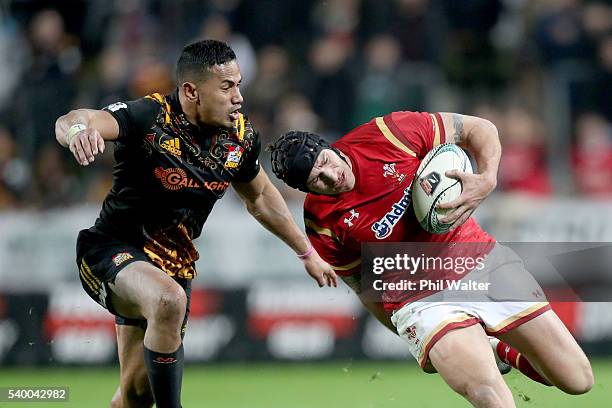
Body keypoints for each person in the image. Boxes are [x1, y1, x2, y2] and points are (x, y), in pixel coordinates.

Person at [55, 40, 337, 408]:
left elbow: (261, 198)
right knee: (167, 299)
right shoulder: (150, 117)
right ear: (190, 91)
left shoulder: (241, 137)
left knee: (135, 396)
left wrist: (306, 252)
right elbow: (78, 117)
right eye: (226, 87)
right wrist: (78, 131)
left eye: (238, 84)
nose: (238, 97)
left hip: (173, 263)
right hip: (111, 249)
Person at [267, 111, 593, 408]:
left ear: (329, 145)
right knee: (491, 398)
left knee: (577, 380)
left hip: (476, 258)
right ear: (306, 190)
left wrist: (487, 178)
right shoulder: (320, 221)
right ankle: (477, 348)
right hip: (418, 299)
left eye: (326, 161)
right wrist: (412, 333)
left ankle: (496, 348)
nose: (331, 176)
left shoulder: (388, 133)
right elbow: (364, 287)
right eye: (317, 180)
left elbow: (480, 129)